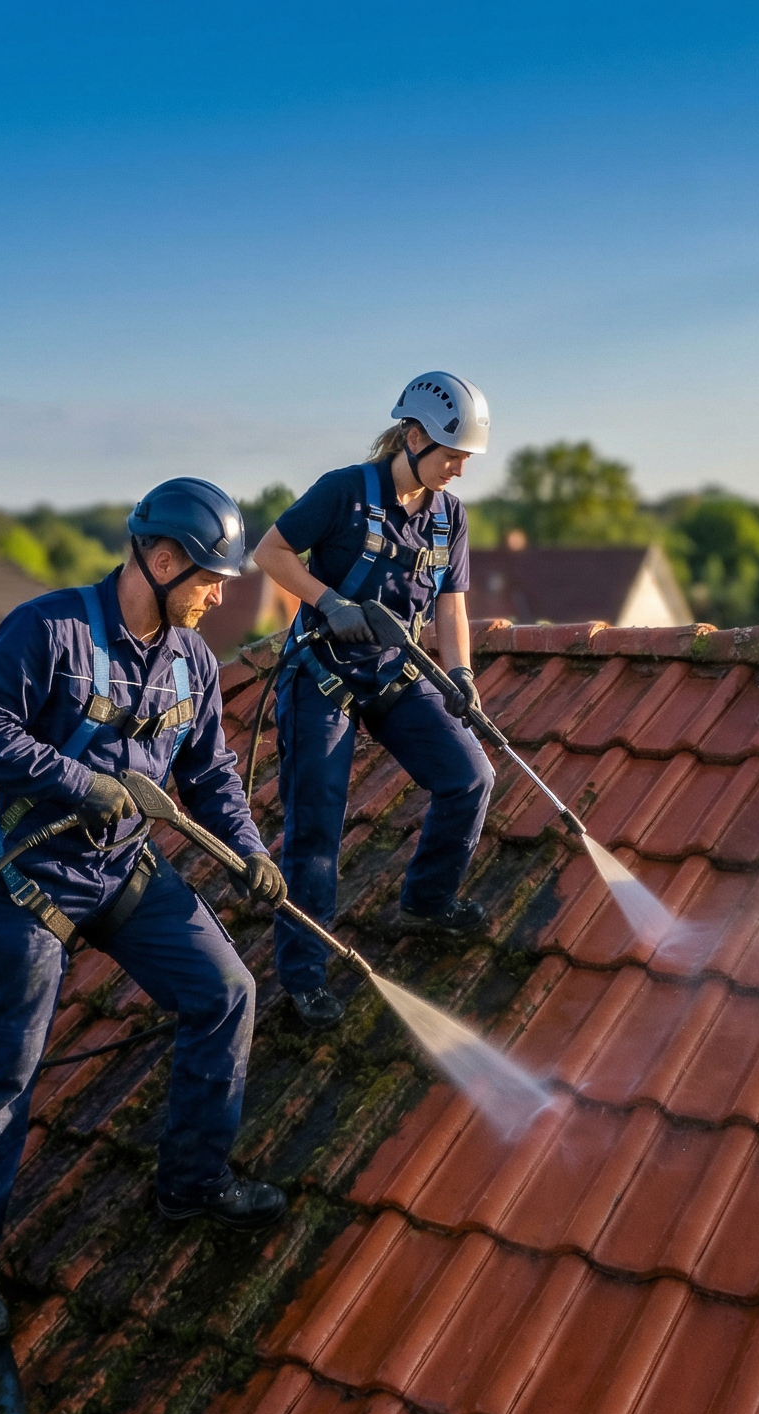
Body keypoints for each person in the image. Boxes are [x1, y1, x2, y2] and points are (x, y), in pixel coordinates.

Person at [0, 477, 291, 1339]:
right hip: (29, 882)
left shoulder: (193, 664)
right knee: (4, 1069)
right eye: (210, 575)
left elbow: (209, 781)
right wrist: (79, 780)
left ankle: (193, 1181)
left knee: (227, 992)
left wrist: (251, 852)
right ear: (160, 561)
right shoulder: (49, 631)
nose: (222, 592)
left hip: (126, 874)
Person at [252, 371, 496, 1026]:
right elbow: (269, 552)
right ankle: (305, 978)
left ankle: (427, 901)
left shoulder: (450, 519)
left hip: (396, 672)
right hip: (322, 676)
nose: (459, 472)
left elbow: (451, 605)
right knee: (318, 831)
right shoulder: (342, 492)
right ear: (413, 437)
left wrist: (462, 676)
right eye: (451, 457)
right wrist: (328, 601)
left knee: (471, 776)